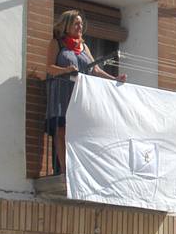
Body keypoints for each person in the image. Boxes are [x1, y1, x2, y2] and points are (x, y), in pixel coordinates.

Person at [45, 9, 125, 175]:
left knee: (79, 131)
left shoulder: (84, 46)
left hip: (81, 95)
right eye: (76, 23)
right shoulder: (57, 43)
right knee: (62, 130)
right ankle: (63, 168)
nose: (80, 26)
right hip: (62, 93)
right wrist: (65, 70)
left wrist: (114, 78)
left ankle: (78, 168)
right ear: (67, 25)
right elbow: (49, 67)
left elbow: (95, 69)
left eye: (81, 23)